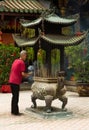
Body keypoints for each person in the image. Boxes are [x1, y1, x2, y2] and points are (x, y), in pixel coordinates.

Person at [9, 50, 32, 116]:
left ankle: (13, 111)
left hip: (11, 81)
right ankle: (16, 112)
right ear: (23, 55)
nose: (26, 57)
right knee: (16, 97)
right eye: (25, 56)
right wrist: (29, 74)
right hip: (15, 81)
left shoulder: (15, 61)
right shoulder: (22, 62)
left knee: (14, 97)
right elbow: (23, 74)